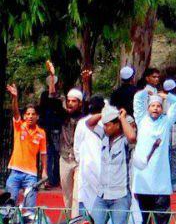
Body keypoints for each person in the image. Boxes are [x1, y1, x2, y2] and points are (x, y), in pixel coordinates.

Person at [90, 106, 136, 224]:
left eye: (109, 124)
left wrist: (121, 117)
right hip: (102, 194)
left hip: (120, 195)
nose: (105, 127)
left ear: (117, 125)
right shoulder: (103, 136)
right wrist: (105, 113)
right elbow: (90, 123)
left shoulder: (124, 141)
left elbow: (132, 136)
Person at [132, 89, 176, 224]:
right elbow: (137, 101)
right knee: (144, 209)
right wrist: (144, 92)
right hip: (143, 174)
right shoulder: (141, 120)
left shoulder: (166, 122)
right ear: (148, 108)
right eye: (152, 105)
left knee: (161, 209)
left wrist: (166, 96)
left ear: (162, 108)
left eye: (158, 106)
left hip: (160, 173)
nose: (155, 108)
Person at [5, 84, 47, 208]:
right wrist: (14, 98)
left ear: (37, 117)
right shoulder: (19, 126)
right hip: (15, 172)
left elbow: (43, 153)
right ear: (24, 117)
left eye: (33, 114)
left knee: (30, 209)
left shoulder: (41, 133)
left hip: (31, 176)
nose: (30, 116)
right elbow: (15, 112)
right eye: (27, 114)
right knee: (9, 208)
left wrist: (44, 171)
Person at [53, 86, 84, 214]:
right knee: (67, 194)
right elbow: (53, 102)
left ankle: (75, 223)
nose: (70, 103)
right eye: (69, 101)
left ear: (80, 103)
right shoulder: (63, 116)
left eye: (74, 101)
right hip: (65, 158)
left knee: (77, 193)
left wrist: (86, 81)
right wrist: (52, 79)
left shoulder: (84, 118)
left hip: (79, 160)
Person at [73, 95, 105, 214]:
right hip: (89, 166)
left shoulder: (84, 123)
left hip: (89, 166)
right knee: (87, 196)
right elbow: (77, 146)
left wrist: (79, 160)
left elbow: (76, 145)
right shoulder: (84, 123)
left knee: (88, 197)